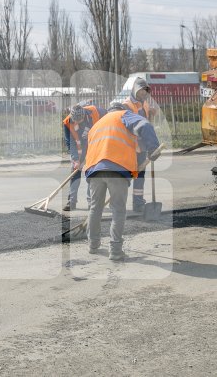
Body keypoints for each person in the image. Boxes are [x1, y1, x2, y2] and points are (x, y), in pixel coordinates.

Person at [84, 101, 161, 261]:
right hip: (116, 169)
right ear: (122, 110)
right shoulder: (123, 115)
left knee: (94, 208)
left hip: (94, 170)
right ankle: (116, 250)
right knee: (118, 210)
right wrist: (153, 147)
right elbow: (145, 124)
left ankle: (93, 245)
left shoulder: (97, 125)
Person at [62, 100, 106, 211]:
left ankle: (91, 202)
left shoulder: (95, 113)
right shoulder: (68, 123)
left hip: (95, 145)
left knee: (91, 174)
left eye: (80, 120)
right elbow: (70, 142)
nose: (78, 122)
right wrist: (76, 159)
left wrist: (91, 155)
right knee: (74, 173)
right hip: (79, 148)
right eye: (76, 121)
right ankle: (71, 202)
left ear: (84, 115)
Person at [122, 77, 158, 212]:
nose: (143, 94)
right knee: (127, 176)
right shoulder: (126, 105)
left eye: (145, 91)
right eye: (141, 91)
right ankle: (119, 203)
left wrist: (152, 114)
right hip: (130, 147)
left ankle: (138, 203)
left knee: (140, 176)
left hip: (142, 147)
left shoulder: (145, 104)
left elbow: (147, 123)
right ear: (135, 90)